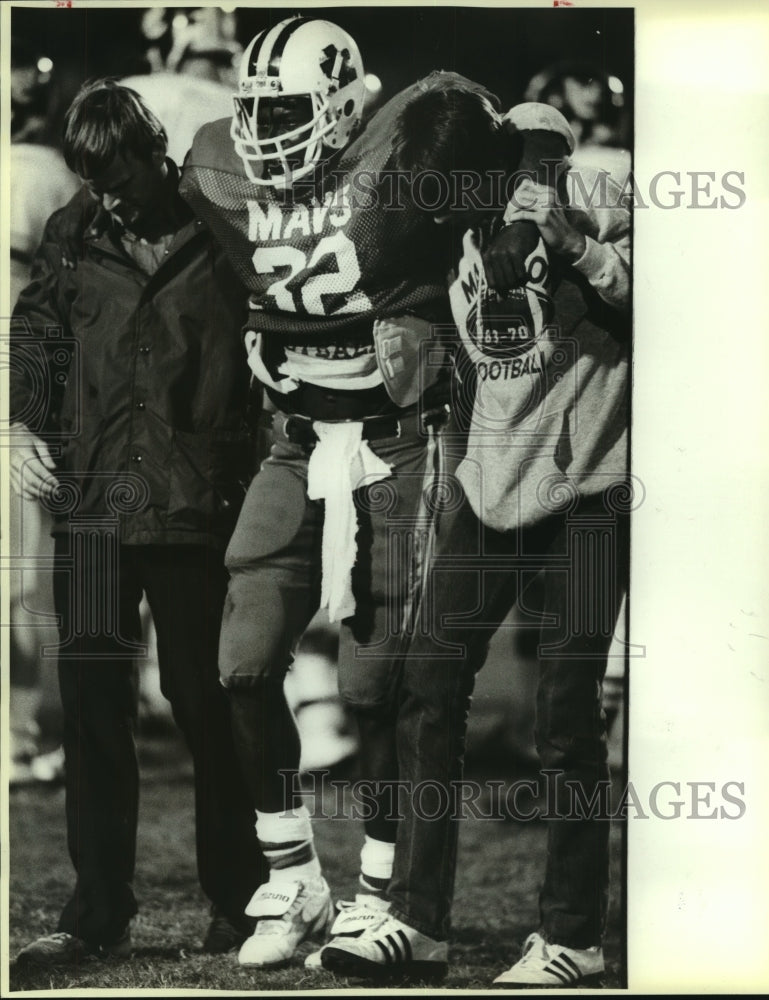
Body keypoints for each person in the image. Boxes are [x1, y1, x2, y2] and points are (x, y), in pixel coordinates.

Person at [178, 16, 496, 969]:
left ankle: (380, 893)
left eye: (289, 109)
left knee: (378, 684)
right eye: (256, 110)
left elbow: (495, 138)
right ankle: (294, 879)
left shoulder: (409, 150)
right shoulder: (219, 170)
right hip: (293, 442)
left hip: (399, 443)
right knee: (239, 662)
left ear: (348, 105)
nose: (267, 131)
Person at [317, 90, 631, 988]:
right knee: (428, 684)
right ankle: (419, 920)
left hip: (589, 487)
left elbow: (669, 313)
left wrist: (577, 246)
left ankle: (572, 934)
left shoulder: (602, 189)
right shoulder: (454, 225)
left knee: (567, 714)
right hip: (488, 483)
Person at [9, 80, 264, 965]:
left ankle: (240, 900)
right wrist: (16, 427)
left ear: (153, 149)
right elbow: (37, 333)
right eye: (89, 177)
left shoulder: (221, 225)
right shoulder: (73, 231)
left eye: (116, 173)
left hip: (193, 507)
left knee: (203, 703)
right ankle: (96, 913)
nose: (104, 193)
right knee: (89, 710)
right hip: (89, 507)